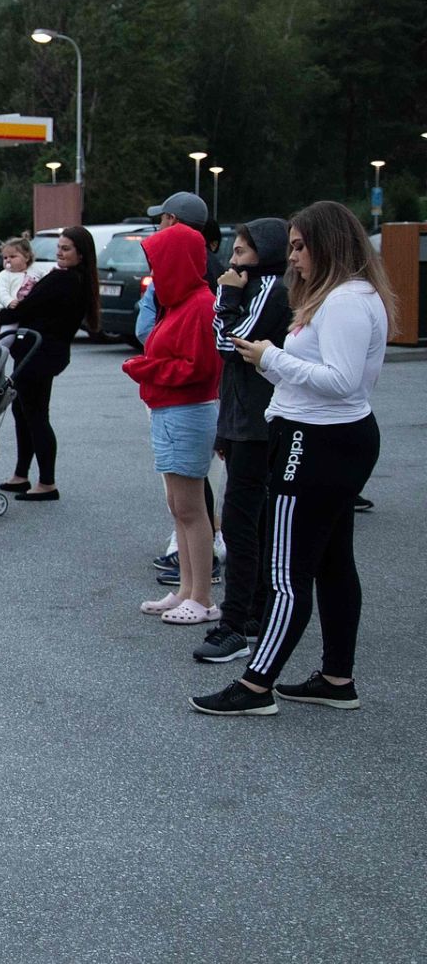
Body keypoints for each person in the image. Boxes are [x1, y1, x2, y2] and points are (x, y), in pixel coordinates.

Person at [193, 202, 393, 715]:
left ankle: (256, 685)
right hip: (322, 435)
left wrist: (271, 357)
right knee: (331, 562)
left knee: (286, 571)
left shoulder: (345, 301)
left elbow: (342, 381)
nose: (293, 258)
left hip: (315, 440)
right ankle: (336, 677)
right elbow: (326, 376)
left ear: (327, 245)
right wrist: (275, 363)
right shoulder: (341, 297)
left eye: (301, 247)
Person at [192, 218, 293, 665]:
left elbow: (229, 343)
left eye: (241, 253)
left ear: (263, 254)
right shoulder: (253, 286)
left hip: (258, 421)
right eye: (231, 253)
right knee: (249, 521)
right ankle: (253, 610)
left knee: (240, 521)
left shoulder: (270, 286)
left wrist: (228, 295)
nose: (231, 263)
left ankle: (236, 624)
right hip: (239, 418)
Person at [123, 218, 223, 626]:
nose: (154, 272)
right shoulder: (180, 302)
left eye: (158, 262)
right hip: (172, 410)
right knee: (178, 507)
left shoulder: (198, 304)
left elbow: (198, 368)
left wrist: (147, 369)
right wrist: (150, 368)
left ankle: (200, 596)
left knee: (190, 507)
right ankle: (186, 588)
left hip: (187, 410)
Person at [0, 226, 101, 502]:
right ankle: (22, 474)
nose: (59, 253)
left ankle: (46, 482)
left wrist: (4, 315)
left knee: (36, 415)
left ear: (81, 254)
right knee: (22, 410)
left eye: (66, 249)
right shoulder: (74, 279)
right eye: (58, 248)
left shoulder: (65, 281)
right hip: (41, 352)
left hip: (39, 355)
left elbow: (27, 306)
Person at [0, 238, 42, 335]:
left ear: (26, 257)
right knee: (7, 334)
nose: (8, 260)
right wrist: (8, 301)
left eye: (13, 256)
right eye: (5, 258)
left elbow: (45, 280)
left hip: (29, 310)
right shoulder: (5, 275)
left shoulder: (35, 270)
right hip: (10, 311)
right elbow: (1, 291)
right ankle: (2, 347)